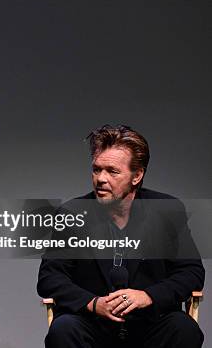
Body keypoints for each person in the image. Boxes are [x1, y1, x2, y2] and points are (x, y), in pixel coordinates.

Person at [37, 125, 205, 347]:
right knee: (64, 329)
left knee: (183, 328)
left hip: (150, 324)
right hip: (93, 325)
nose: (101, 179)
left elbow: (191, 272)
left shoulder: (167, 210)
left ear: (137, 176)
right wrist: (93, 303)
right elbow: (50, 278)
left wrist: (148, 296)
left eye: (112, 171)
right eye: (97, 170)